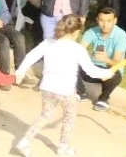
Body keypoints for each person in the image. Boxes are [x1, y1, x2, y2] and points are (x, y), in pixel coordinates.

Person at [14, 15, 116, 157]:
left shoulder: (49, 42)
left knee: (45, 115)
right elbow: (90, 70)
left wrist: (20, 71)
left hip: (47, 87)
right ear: (76, 32)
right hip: (66, 91)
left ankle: (24, 141)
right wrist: (105, 73)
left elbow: (31, 55)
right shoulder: (77, 49)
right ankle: (63, 147)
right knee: (70, 117)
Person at [76, 7, 126, 111]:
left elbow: (117, 62)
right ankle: (81, 92)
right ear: (97, 20)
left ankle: (103, 99)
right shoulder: (92, 32)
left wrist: (106, 59)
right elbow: (79, 50)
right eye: (102, 20)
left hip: (110, 68)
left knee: (115, 74)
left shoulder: (121, 35)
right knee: (72, 63)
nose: (105, 25)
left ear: (115, 21)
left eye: (109, 21)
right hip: (93, 67)